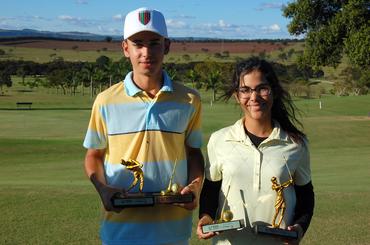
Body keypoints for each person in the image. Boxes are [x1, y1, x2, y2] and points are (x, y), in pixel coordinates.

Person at [83, 7, 204, 245]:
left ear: (166, 46)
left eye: (154, 43)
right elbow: (93, 155)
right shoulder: (105, 101)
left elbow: (194, 153)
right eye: (138, 43)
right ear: (125, 48)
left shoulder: (189, 99)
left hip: (173, 232)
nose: (146, 52)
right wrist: (103, 189)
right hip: (121, 231)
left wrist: (195, 187)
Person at [197, 57, 314, 244]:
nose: (254, 97)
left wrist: (299, 227)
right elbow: (211, 190)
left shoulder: (296, 144)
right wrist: (205, 218)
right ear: (237, 96)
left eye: (262, 88)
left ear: (273, 92)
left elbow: (305, 195)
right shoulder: (219, 139)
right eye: (245, 90)